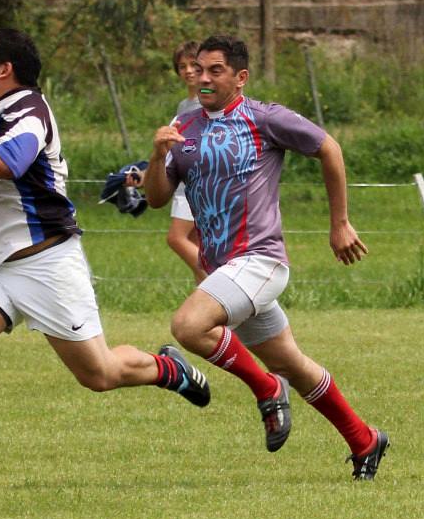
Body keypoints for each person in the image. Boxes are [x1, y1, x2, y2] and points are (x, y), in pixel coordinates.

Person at [0, 29, 210, 512]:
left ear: (3, 69)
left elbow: (12, 161)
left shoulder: (30, 111)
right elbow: (0, 175)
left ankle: (166, 369)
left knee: (99, 374)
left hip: (47, 266)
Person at [142, 34, 389, 480]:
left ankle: (266, 388)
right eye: (199, 69)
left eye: (215, 70)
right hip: (227, 272)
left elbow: (328, 147)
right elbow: (158, 199)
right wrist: (158, 157)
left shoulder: (263, 117)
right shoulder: (186, 131)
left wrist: (339, 224)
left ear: (240, 78)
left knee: (188, 326)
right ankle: (364, 440)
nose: (203, 77)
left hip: (260, 260)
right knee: (293, 363)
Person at [125, 41, 207, 283]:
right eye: (182, 66)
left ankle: (221, 283)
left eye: (194, 64)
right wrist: (146, 176)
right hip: (181, 183)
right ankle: (213, 314)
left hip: (195, 185)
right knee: (194, 246)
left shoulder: (206, 103)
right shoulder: (184, 105)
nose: (189, 71)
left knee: (176, 238)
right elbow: (171, 150)